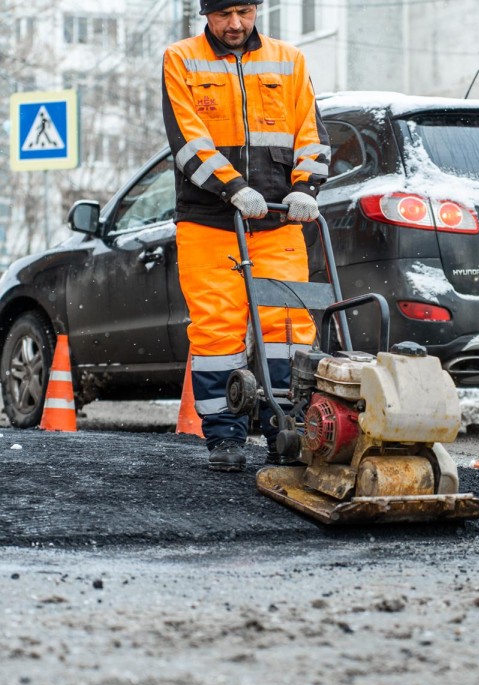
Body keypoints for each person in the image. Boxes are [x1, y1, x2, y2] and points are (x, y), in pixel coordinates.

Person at [162, 1, 330, 471]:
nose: (235, 24)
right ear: (206, 15)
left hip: (278, 221)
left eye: (244, 11)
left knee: (290, 329)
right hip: (208, 221)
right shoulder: (182, 59)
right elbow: (188, 141)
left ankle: (288, 430)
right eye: (223, 14)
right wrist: (232, 187)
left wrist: (305, 188)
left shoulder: (288, 60)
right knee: (217, 328)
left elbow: (311, 134)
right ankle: (225, 438)